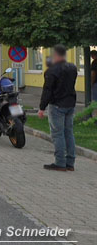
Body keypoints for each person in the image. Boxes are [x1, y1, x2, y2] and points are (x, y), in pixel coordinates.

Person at [38, 44, 78, 172]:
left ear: (55, 55)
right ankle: (70, 162)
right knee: (68, 133)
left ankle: (60, 162)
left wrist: (41, 107)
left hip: (57, 105)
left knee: (57, 134)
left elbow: (47, 90)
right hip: (70, 103)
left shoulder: (51, 71)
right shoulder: (72, 68)